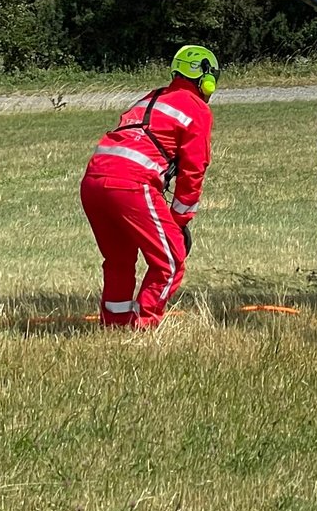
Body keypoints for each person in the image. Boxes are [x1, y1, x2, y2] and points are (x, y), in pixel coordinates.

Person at [79, 45, 218, 328]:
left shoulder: (150, 98)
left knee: (118, 259)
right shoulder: (197, 109)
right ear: (206, 78)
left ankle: (115, 324)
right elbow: (194, 170)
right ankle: (143, 326)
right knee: (170, 261)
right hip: (130, 183)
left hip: (93, 181)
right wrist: (179, 220)